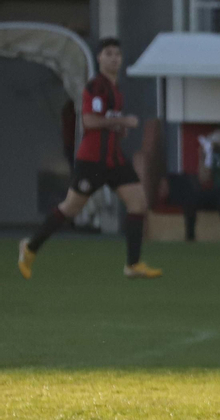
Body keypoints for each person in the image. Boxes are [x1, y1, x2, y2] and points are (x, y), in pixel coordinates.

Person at [19, 38, 160, 280]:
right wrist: (122, 121)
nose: (114, 57)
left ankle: (133, 265)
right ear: (99, 58)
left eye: (117, 53)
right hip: (93, 161)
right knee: (71, 208)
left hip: (114, 160)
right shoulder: (96, 87)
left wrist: (119, 129)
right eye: (108, 53)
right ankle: (30, 248)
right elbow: (90, 121)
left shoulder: (116, 90)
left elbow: (106, 122)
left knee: (138, 203)